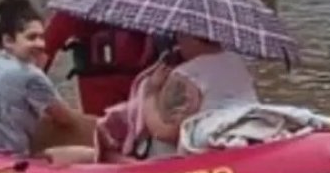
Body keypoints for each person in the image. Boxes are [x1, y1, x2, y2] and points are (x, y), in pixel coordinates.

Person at [0, 0, 97, 158]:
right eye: (31, 38)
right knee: (88, 154)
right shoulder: (29, 75)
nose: (40, 44)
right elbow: (67, 120)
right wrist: (102, 130)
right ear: (8, 41)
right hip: (3, 160)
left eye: (42, 37)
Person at [99, 33, 260, 160]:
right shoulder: (238, 62)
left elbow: (163, 131)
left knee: (112, 153)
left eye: (179, 35)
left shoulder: (187, 75)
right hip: (238, 141)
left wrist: (151, 92)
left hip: (191, 162)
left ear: (191, 37)